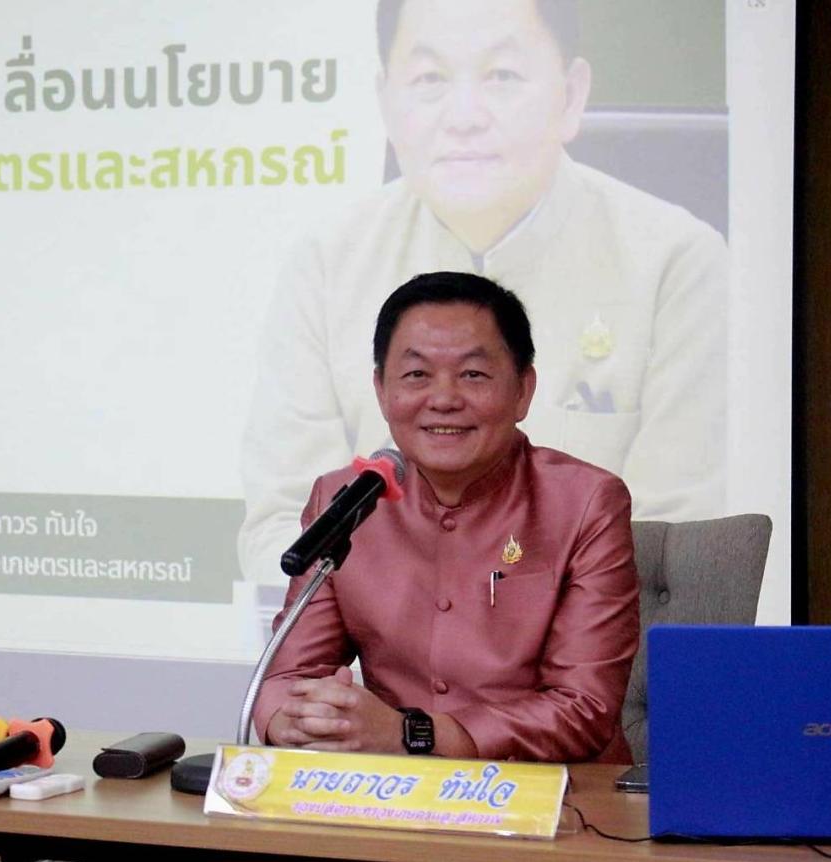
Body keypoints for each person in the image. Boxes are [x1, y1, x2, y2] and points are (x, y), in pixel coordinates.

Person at [239, 0, 727, 585]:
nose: (464, 117)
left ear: (571, 95)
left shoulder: (675, 261)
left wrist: (481, 621)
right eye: (430, 79)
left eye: (501, 75)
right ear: (385, 103)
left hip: (589, 637)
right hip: (373, 642)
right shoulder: (325, 263)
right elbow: (283, 527)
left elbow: (673, 545)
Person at [253, 272, 640, 763]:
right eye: (416, 375)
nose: (443, 399)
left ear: (523, 390)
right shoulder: (346, 502)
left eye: (473, 375)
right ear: (381, 390)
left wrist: (411, 734)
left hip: (560, 797)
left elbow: (583, 707)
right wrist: (295, 719)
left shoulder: (586, 502)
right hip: (393, 795)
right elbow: (287, 676)